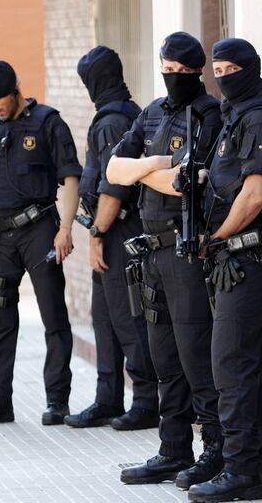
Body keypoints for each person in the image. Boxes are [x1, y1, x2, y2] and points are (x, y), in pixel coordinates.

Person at [105, 32, 225, 489]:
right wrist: (154, 165)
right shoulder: (152, 112)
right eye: (166, 70)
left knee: (196, 356)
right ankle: (173, 449)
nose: (171, 78)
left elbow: (186, 182)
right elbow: (116, 170)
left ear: (196, 71)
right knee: (163, 358)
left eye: (179, 71)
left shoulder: (209, 116)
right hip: (151, 250)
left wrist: (147, 171)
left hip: (186, 249)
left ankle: (215, 451)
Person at [185, 38, 262, 502]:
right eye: (218, 68)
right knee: (252, 362)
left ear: (250, 69)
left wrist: (218, 236)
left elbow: (255, 193)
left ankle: (240, 471)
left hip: (249, 254)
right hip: (234, 256)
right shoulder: (234, 116)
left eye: (232, 68)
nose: (223, 76)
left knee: (229, 363)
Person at [0, 60, 82, 426]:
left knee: (53, 317)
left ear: (15, 90)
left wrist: (66, 229)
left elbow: (71, 177)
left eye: (0, 98)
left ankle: (57, 401)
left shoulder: (47, 123)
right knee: (0, 320)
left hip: (40, 229)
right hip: (0, 236)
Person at [64, 46, 159, 431]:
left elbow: (113, 187)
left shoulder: (111, 123)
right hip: (114, 231)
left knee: (128, 318)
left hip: (119, 231)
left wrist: (97, 234)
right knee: (104, 319)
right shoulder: (125, 114)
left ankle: (146, 402)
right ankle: (107, 399)